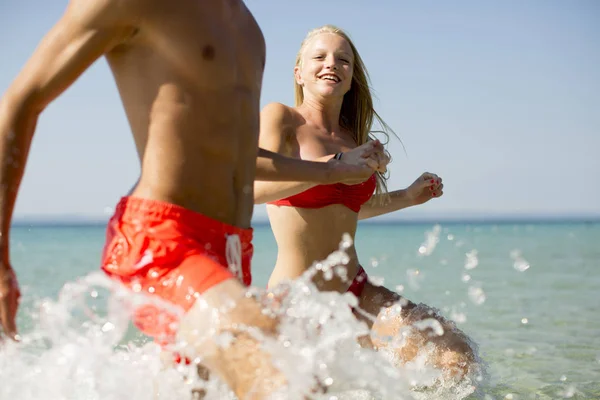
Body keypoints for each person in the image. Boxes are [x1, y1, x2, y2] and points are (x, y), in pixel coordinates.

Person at [0, 2, 377, 397]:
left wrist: (334, 171)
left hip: (232, 247)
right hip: (164, 239)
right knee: (289, 380)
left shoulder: (248, 29)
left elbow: (239, 157)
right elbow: (19, 103)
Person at [254, 25, 477, 380]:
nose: (332, 64)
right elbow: (252, 190)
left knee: (454, 352)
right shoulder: (282, 119)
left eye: (343, 60)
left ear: (352, 76)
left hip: (356, 290)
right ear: (299, 72)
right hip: (297, 299)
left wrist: (406, 197)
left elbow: (345, 206)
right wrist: (333, 167)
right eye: (320, 57)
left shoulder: (353, 138)